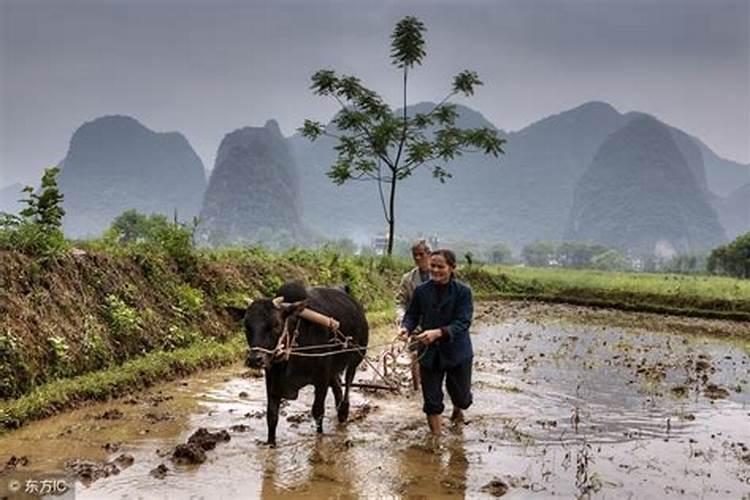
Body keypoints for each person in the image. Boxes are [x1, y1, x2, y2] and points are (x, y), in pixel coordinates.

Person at [399, 249, 474, 436]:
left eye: (441, 266)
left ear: (452, 268)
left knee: (462, 398)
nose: (435, 270)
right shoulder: (421, 291)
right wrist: (405, 328)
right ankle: (437, 439)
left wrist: (439, 332)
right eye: (433, 266)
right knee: (432, 401)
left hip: (457, 351)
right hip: (429, 352)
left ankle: (458, 409)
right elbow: (412, 315)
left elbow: (463, 322)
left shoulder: (463, 292)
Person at [395, 239, 432, 390]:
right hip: (415, 324)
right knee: (415, 355)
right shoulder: (408, 279)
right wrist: (402, 321)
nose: (417, 258)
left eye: (421, 254)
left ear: (429, 254)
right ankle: (417, 389)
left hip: (437, 325)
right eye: (414, 255)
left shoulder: (440, 274)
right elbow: (400, 302)